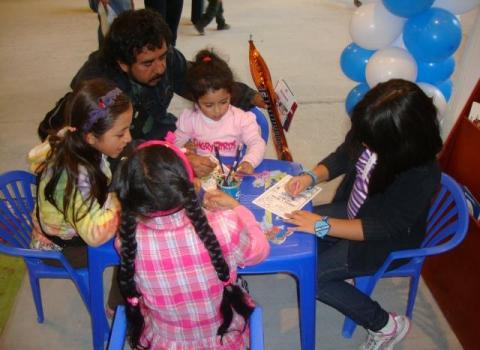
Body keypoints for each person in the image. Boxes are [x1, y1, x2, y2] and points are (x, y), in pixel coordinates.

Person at [284, 79, 443, 349]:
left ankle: (386, 325)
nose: (364, 142)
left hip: (383, 242)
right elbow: (344, 156)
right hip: (352, 211)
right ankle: (334, 260)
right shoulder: (373, 129)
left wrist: (322, 226)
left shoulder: (420, 173)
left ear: (400, 143)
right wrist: (311, 176)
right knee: (294, 227)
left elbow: (382, 227)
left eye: (372, 142)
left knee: (313, 277)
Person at [113, 138, 270, 349]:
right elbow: (260, 251)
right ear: (190, 184)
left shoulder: (128, 239)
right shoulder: (224, 226)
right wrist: (238, 209)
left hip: (164, 342)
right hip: (223, 339)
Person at [70, 9, 265, 177]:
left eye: (163, 57)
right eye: (148, 63)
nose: (161, 68)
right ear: (123, 63)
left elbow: (202, 82)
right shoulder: (99, 91)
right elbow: (111, 149)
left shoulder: (164, 58)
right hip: (113, 152)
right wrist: (177, 157)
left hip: (155, 127)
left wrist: (253, 97)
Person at [29, 78, 133, 315]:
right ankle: (117, 308)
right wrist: (120, 199)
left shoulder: (76, 139)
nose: (128, 138)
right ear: (91, 138)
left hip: (76, 223)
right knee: (135, 243)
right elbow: (94, 237)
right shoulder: (75, 176)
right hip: (60, 249)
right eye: (121, 133)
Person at [174, 49, 266, 175]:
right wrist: (184, 149)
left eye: (223, 102)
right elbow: (174, 144)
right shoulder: (189, 119)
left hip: (231, 176)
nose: (217, 111)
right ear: (195, 100)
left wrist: (249, 161)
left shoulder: (241, 119)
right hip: (201, 176)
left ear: (230, 94)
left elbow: (257, 142)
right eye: (208, 105)